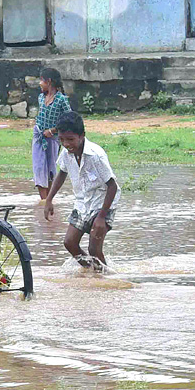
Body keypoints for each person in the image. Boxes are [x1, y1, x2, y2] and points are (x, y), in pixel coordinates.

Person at [43, 111, 119, 271]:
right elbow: (61, 173)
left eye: (70, 139)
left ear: (82, 136)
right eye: (62, 139)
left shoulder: (95, 156)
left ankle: (105, 278)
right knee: (69, 242)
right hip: (82, 203)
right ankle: (94, 271)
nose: (66, 144)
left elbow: (113, 186)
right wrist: (49, 199)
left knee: (94, 249)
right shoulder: (66, 153)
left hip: (102, 203)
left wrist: (101, 217)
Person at [31, 67, 71, 199]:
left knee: (50, 169)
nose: (39, 83)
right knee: (38, 167)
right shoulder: (41, 98)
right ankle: (44, 200)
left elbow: (69, 119)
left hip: (53, 139)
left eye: (41, 80)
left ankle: (49, 199)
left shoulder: (61, 99)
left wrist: (53, 130)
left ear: (48, 82)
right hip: (39, 137)